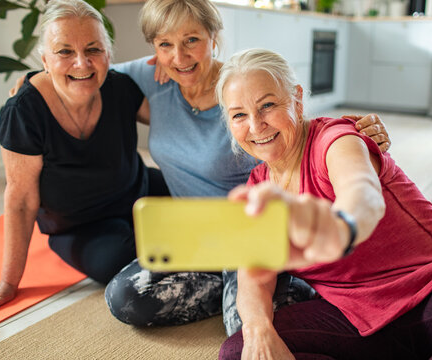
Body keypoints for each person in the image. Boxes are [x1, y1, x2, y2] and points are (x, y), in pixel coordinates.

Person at [103, 0, 391, 337]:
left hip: (251, 235)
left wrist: (348, 134)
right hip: (195, 235)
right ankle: (248, 292)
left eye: (191, 41)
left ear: (214, 36)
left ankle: (285, 288)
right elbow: (88, 69)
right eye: (165, 44)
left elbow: (287, 130)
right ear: (153, 47)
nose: (179, 57)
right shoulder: (152, 77)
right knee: (124, 298)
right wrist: (34, 84)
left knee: (245, 332)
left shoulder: (239, 90)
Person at [215, 48, 432, 359]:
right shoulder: (259, 184)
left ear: (297, 99)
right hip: (358, 322)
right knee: (238, 352)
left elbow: (363, 194)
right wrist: (257, 328)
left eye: (268, 105)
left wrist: (340, 228)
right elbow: (253, 275)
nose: (256, 125)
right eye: (239, 115)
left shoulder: (336, 140)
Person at [0, 0, 170, 313]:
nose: (82, 63)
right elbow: (20, 200)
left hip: (138, 190)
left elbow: (177, 123)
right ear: (45, 59)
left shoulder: (121, 87)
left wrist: (178, 63)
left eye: (94, 49)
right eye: (64, 51)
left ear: (108, 54)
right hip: (80, 225)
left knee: (204, 204)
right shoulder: (25, 111)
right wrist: (8, 282)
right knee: (124, 262)